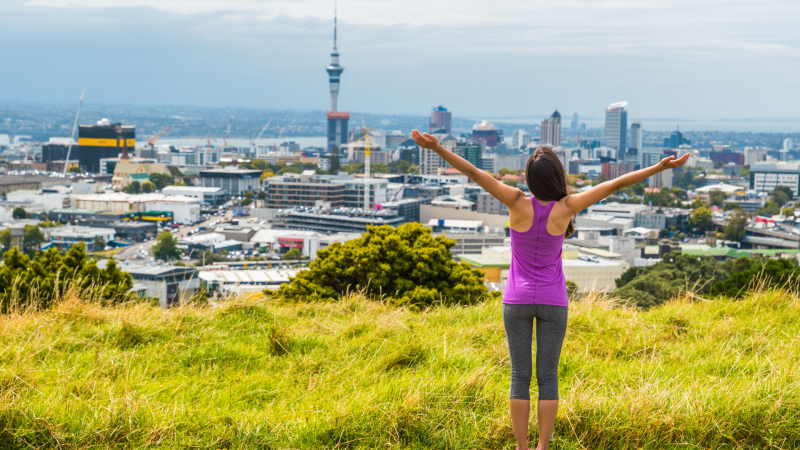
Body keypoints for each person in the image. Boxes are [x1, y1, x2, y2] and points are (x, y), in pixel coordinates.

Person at [411, 130, 688, 450]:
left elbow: (473, 172)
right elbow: (614, 184)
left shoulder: (515, 200)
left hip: (516, 300)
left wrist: (437, 147)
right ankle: (543, 447)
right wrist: (660, 168)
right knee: (548, 378)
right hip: (553, 301)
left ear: (529, 178)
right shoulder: (567, 207)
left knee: (519, 376)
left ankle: (522, 447)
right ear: (557, 177)